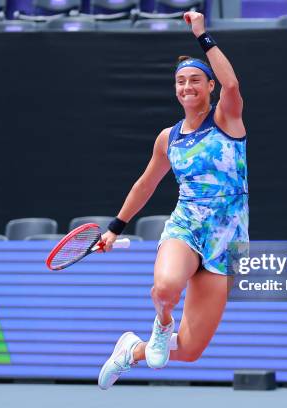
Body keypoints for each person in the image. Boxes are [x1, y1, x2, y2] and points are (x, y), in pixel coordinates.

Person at [97, 11, 248, 390]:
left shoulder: (227, 119)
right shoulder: (169, 138)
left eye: (195, 80)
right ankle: (162, 322)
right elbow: (146, 185)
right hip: (186, 226)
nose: (186, 87)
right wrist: (115, 228)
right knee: (165, 288)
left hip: (228, 240)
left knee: (192, 349)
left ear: (209, 86)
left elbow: (232, 84)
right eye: (180, 82)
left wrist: (202, 35)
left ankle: (131, 350)